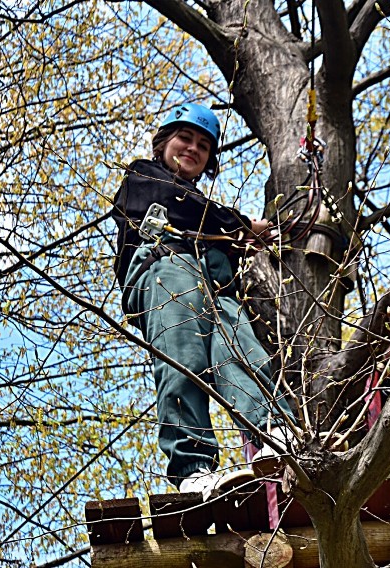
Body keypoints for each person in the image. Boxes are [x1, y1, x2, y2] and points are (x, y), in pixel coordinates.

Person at [110, 102, 296, 499]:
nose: (193, 149)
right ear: (164, 143)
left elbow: (203, 216)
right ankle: (193, 468)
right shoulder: (143, 176)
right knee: (183, 362)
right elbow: (178, 203)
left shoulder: (212, 221)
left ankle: (273, 431)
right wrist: (242, 227)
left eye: (203, 145)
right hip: (167, 274)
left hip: (216, 288)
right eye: (185, 138)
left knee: (241, 350)